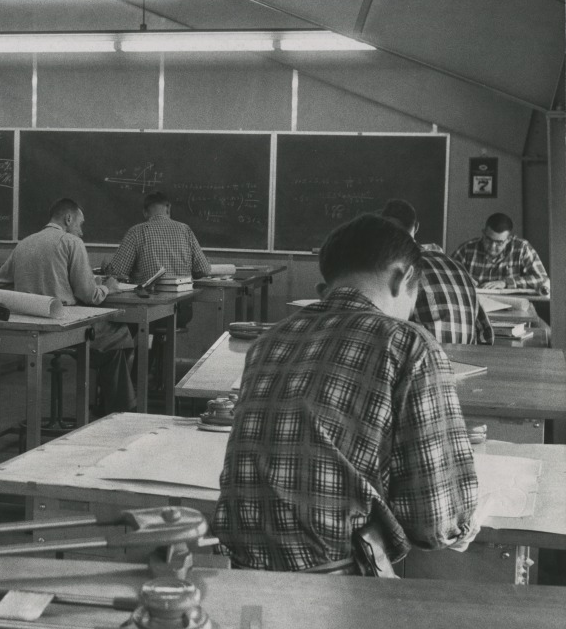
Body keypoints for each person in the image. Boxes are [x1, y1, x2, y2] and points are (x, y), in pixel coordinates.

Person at [213, 214, 480, 573]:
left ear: (328, 283)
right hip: (338, 585)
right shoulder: (407, 344)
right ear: (402, 278)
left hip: (244, 575)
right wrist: (461, 523)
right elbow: (434, 523)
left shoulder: (269, 340)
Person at [0, 198, 136, 415]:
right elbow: (89, 296)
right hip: (65, 325)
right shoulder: (71, 242)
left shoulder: (24, 243)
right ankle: (122, 409)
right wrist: (108, 288)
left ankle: (114, 405)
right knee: (122, 335)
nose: (82, 231)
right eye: (80, 223)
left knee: (112, 342)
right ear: (68, 218)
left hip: (29, 326)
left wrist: (31, 293)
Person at [380, 198, 493, 345]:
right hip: (468, 362)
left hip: (427, 357)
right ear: (416, 227)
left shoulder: (396, 267)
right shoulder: (457, 266)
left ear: (382, 228)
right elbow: (485, 334)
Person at [104, 190, 211, 328]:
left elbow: (117, 273)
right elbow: (204, 270)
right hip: (182, 311)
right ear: (169, 208)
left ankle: (136, 349)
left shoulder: (137, 232)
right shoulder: (185, 230)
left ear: (145, 212)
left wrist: (106, 267)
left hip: (149, 312)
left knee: (117, 323)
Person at [451, 212, 550, 293]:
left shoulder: (522, 248)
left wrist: (506, 282)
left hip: (513, 305)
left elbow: (542, 278)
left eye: (499, 243)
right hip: (476, 304)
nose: (492, 247)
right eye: (488, 240)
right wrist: (463, 280)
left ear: (509, 239)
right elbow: (446, 274)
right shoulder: (467, 249)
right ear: (483, 233)